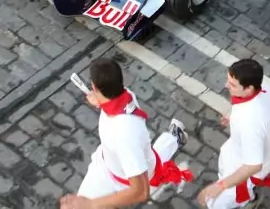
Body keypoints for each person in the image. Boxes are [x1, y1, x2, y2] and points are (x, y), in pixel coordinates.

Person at [60, 58, 192, 209]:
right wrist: (99, 100)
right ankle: (175, 136)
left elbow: (141, 192)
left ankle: (175, 136)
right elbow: (110, 104)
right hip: (106, 164)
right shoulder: (124, 94)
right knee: (149, 157)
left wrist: (90, 204)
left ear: (94, 87)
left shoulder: (123, 135)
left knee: (150, 162)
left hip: (120, 181)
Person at [196, 59, 270, 208]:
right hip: (239, 153)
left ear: (249, 89)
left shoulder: (250, 123)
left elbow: (253, 166)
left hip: (242, 170)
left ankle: (248, 201)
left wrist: (220, 186)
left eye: (233, 85)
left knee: (215, 204)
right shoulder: (265, 87)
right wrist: (233, 117)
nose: (226, 86)